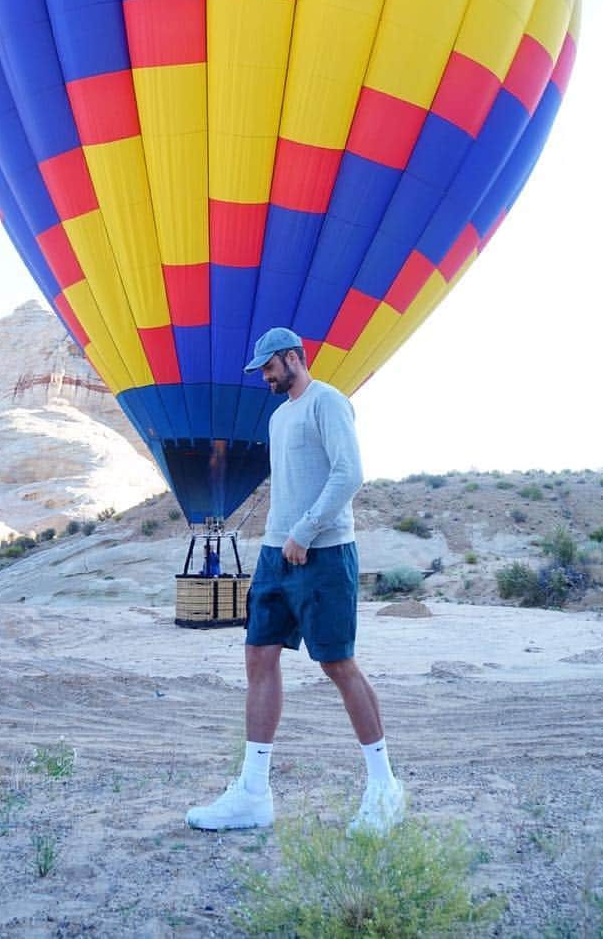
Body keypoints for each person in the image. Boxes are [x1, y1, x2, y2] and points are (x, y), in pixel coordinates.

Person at [186, 326, 405, 836]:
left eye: (268, 367)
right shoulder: (280, 417)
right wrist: (279, 536)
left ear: (291, 358)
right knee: (258, 655)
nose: (263, 376)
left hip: (323, 553)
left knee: (337, 663)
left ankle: (384, 787)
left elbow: (348, 474)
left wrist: (305, 531)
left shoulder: (327, 403)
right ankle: (253, 794)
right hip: (273, 554)